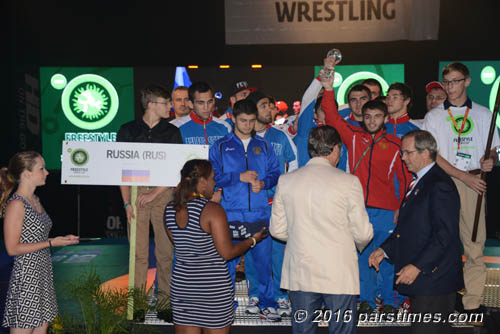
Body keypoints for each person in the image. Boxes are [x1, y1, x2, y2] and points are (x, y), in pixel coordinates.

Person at [321, 56, 411, 314]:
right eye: (368, 116)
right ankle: (367, 301)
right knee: (361, 257)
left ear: (385, 118)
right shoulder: (353, 137)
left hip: (386, 211)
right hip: (358, 209)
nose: (372, 120)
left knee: (387, 258)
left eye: (377, 116)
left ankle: (391, 302)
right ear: (362, 117)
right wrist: (328, 89)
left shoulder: (396, 144)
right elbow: (332, 118)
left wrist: (400, 208)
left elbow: (405, 180)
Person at [270, 126, 373, 334]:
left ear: (310, 149)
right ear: (336, 149)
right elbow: (363, 233)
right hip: (339, 271)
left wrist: (301, 238)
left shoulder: (287, 180)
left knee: (303, 330)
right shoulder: (349, 182)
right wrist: (356, 244)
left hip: (301, 269)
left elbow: (277, 230)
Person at [422, 62, 500, 320]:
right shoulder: (433, 117)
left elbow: (492, 150)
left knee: (474, 243)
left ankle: (472, 303)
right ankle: (444, 297)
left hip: (474, 183)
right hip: (443, 183)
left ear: (467, 82)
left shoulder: (483, 114)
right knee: (442, 241)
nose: (450, 87)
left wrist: (490, 160)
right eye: (447, 82)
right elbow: (432, 155)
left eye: (455, 81)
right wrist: (462, 177)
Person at [369, 130, 463, 334]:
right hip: (426, 279)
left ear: (426, 152)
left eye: (408, 153)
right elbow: (410, 228)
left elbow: (444, 235)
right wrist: (385, 250)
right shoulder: (420, 181)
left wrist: (418, 267)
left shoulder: (439, 184)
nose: (403, 158)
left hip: (434, 280)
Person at [165, 159, 268, 334]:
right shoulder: (212, 210)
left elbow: (183, 246)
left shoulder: (169, 209)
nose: (215, 183)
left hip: (183, 290)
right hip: (213, 292)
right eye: (212, 178)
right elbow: (227, 253)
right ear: (203, 181)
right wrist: (253, 240)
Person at [209, 99, 281, 321]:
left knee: (263, 262)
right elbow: (212, 176)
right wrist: (237, 177)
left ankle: (266, 303)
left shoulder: (265, 146)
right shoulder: (220, 145)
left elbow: (276, 173)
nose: (248, 125)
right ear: (232, 118)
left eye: (251, 121)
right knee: (227, 263)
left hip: (259, 213)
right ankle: (224, 303)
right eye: (243, 121)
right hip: (230, 213)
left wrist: (265, 183)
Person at [117, 84, 182, 307]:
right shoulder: (127, 130)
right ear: (152, 105)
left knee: (165, 253)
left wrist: (155, 192)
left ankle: (165, 304)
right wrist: (126, 202)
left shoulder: (172, 132)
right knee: (138, 254)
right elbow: (121, 170)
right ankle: (137, 306)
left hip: (164, 194)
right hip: (135, 193)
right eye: (166, 103)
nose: (170, 107)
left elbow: (177, 169)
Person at [1, 151, 79, 333]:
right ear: (27, 174)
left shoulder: (35, 200)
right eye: (41, 169)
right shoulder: (16, 204)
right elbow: (12, 248)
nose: (47, 172)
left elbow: (38, 237)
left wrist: (59, 240)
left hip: (43, 274)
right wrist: (51, 243)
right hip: (27, 278)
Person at [244, 91, 298, 317]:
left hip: (275, 205)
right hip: (249, 206)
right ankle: (255, 294)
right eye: (264, 105)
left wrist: (286, 195)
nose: (270, 109)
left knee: (278, 252)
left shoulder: (280, 136)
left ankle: (281, 296)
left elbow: (294, 164)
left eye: (270, 105)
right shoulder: (242, 137)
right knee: (251, 249)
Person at [171, 81, 231, 146]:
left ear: (214, 101)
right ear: (190, 104)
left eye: (209, 102)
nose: (206, 107)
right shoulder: (175, 127)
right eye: (200, 103)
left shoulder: (225, 127)